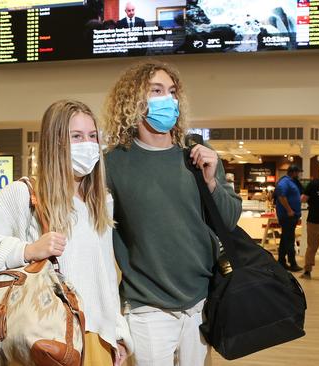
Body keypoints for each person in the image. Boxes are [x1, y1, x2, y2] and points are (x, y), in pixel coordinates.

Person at [0, 100, 132, 365]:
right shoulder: (24, 195)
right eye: (76, 136)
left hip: (97, 340)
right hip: (48, 339)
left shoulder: (102, 202)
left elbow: (104, 275)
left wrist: (117, 333)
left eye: (92, 136)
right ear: (55, 142)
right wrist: (27, 250)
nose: (88, 144)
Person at [103, 61, 242, 366]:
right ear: (134, 101)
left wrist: (211, 181)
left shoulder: (196, 155)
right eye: (157, 91)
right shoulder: (112, 165)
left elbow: (229, 218)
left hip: (201, 302)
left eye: (172, 92)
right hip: (146, 305)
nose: (169, 99)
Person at [275, 164, 303, 272]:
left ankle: (281, 262)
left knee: (285, 239)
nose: (299, 174)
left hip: (291, 216)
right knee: (290, 239)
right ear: (294, 172)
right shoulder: (285, 182)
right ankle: (292, 263)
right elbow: (281, 195)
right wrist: (289, 210)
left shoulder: (290, 182)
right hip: (287, 216)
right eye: (298, 172)